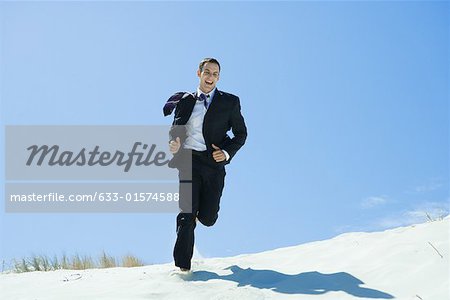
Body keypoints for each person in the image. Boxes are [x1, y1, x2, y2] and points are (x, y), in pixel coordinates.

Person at [164, 58, 247, 271]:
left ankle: (199, 217)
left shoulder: (230, 102)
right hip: (188, 161)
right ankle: (182, 267)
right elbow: (175, 130)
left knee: (208, 218)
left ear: (218, 78)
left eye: (215, 74)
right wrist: (174, 144)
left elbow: (241, 133)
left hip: (213, 165)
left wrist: (227, 152)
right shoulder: (184, 101)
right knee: (186, 214)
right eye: (207, 72)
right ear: (198, 73)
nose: (210, 77)